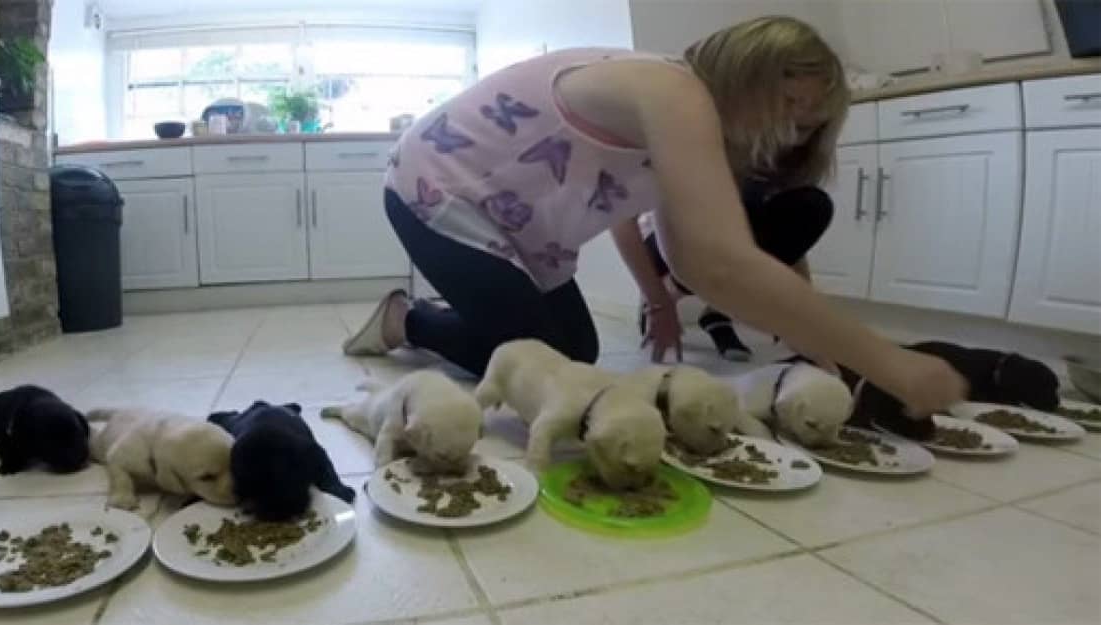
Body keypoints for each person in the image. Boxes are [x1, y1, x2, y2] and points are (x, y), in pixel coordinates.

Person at [343, 16, 966, 417]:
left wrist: (818, 346)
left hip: (517, 228)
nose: (791, 133)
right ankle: (409, 321)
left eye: (807, 123)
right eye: (790, 109)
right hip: (438, 190)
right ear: (747, 75)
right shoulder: (672, 92)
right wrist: (890, 363)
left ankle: (446, 317)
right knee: (547, 354)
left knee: (573, 354)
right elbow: (721, 264)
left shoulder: (692, 124)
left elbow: (696, 254)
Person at [631, 180, 834, 362]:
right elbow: (622, 222)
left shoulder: (775, 161)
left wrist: (804, 316)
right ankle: (673, 293)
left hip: (721, 228)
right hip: (661, 237)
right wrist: (659, 302)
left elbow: (789, 238)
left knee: (811, 203)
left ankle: (715, 311)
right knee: (740, 198)